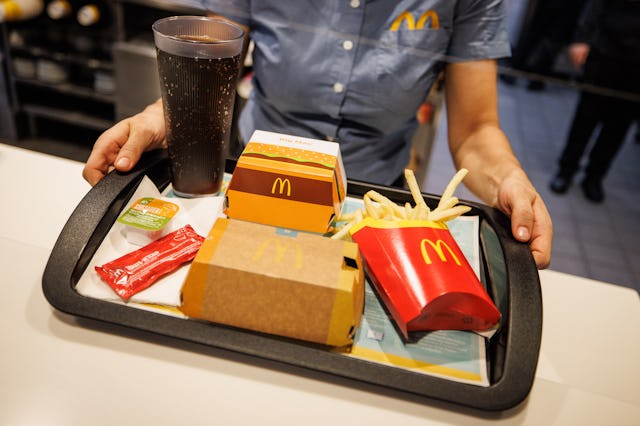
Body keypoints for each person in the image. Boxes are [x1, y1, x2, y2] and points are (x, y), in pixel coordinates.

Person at [83, 0, 553, 269]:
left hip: (367, 206)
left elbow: (475, 131)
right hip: (255, 185)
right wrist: (153, 119)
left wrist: (509, 179)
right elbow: (206, 69)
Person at [550, 0, 640, 202]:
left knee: (619, 126)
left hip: (637, 64)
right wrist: (582, 38)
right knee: (586, 116)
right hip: (606, 49)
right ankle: (566, 168)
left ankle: (595, 176)